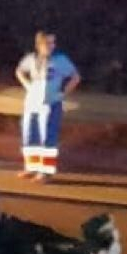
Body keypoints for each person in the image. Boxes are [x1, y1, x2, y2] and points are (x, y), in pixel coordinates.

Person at [15, 30, 81, 180]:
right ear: (39, 44)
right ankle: (31, 167)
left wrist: (62, 93)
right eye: (48, 42)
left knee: (47, 136)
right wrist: (27, 85)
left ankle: (46, 171)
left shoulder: (60, 60)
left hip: (50, 102)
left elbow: (75, 77)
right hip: (32, 102)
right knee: (30, 133)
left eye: (53, 42)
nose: (52, 46)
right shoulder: (31, 59)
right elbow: (19, 71)